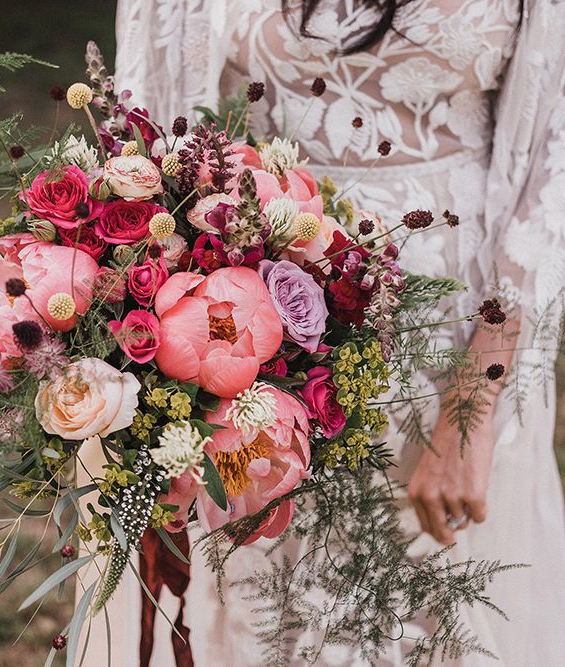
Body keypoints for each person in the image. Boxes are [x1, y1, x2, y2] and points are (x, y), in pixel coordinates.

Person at [81, 0, 565, 664]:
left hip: (451, 341)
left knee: (442, 614)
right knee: (266, 606)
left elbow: (552, 162)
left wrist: (471, 406)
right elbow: (146, 132)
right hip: (253, 342)